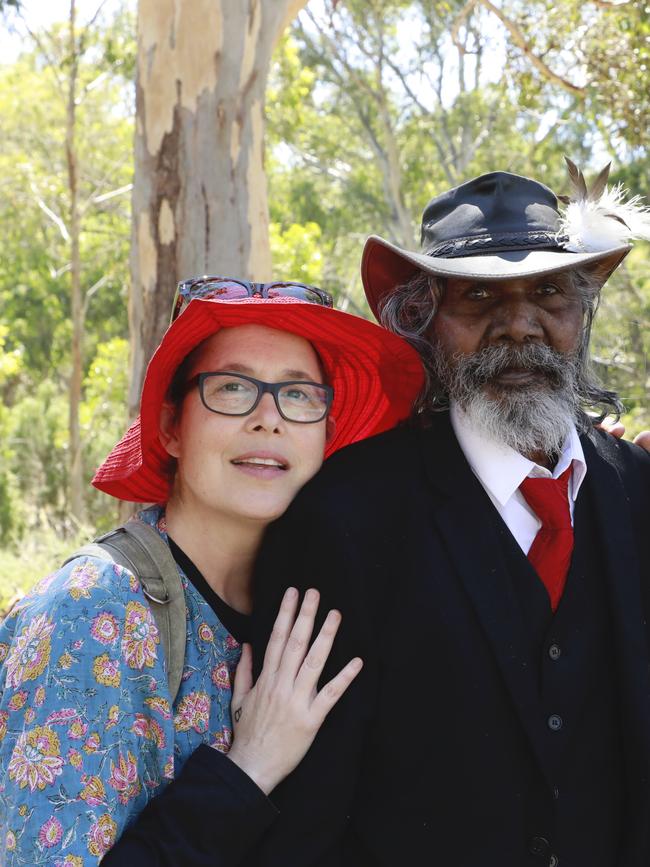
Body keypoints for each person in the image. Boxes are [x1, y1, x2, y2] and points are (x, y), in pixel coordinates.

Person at [248, 167, 650, 866]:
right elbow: (307, 817)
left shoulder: (639, 493)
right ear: (425, 317)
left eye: (549, 292)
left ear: (582, 310)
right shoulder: (344, 518)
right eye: (480, 295)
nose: (519, 323)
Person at [0, 277, 424, 865]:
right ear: (171, 427)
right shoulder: (96, 607)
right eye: (232, 388)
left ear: (327, 434)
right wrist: (249, 769)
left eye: (299, 395)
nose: (269, 419)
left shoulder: (313, 601)